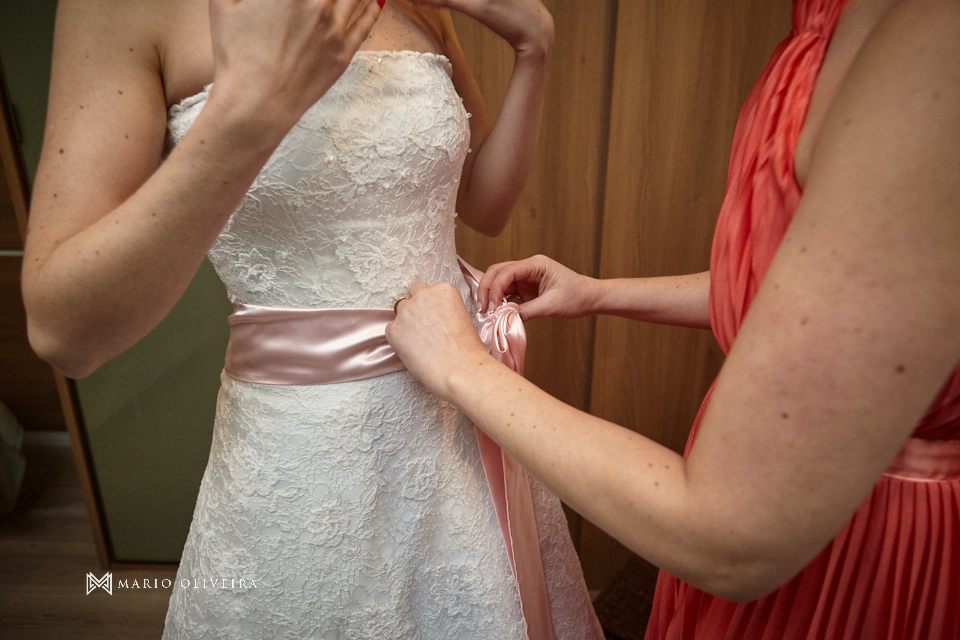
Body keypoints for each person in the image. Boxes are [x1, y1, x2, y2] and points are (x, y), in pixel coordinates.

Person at [21, 0, 603, 637]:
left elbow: (484, 206)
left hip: (463, 418)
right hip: (305, 455)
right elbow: (63, 333)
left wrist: (534, 46)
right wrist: (251, 109)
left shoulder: (420, 7)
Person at [386, 0, 960, 637]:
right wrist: (596, 293)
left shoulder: (932, 43)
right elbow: (819, 299)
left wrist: (465, 369)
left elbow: (728, 533)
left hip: (860, 541)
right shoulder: (838, 21)